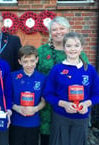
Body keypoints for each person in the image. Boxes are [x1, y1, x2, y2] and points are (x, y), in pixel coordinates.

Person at [37, 16, 89, 145]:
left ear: (69, 30)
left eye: (62, 28)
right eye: (54, 29)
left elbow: (86, 80)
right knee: (47, 137)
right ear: (50, 33)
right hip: (46, 102)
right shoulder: (42, 51)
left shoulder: (79, 54)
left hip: (72, 104)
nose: (58, 32)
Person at [43, 32, 99, 145]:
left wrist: (87, 104)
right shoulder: (57, 69)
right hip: (60, 117)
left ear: (82, 47)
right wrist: (64, 104)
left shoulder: (90, 70)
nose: (72, 49)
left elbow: (96, 94)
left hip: (81, 118)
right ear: (64, 48)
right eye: (68, 46)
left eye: (76, 45)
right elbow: (47, 94)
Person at [9, 45, 46, 145]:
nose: (29, 64)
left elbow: (44, 101)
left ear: (37, 60)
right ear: (20, 62)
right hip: (16, 121)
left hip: (33, 122)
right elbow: (7, 98)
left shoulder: (42, 78)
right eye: (25, 61)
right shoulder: (13, 77)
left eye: (32, 61)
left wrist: (35, 109)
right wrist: (16, 107)